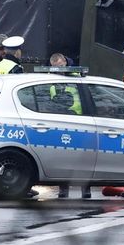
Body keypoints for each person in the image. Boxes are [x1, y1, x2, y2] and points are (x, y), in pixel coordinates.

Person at [48, 52, 91, 200]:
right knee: (63, 158)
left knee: (83, 158)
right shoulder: (50, 78)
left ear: (65, 62)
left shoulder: (77, 75)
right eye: (55, 68)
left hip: (80, 121)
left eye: (60, 67)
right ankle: (63, 189)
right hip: (61, 122)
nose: (59, 70)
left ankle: (85, 189)